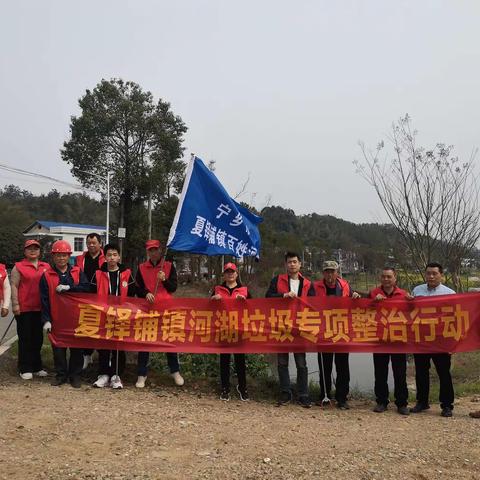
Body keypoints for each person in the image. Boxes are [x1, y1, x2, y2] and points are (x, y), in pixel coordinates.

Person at [40, 240, 90, 387]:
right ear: (53, 257)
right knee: (58, 349)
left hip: (75, 318)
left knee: (76, 349)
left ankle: (75, 375)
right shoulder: (47, 275)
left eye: (64, 255)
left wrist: (70, 287)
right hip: (57, 319)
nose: (61, 258)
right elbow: (43, 299)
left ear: (69, 256)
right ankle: (61, 375)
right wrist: (46, 320)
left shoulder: (77, 272)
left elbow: (86, 289)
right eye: (58, 255)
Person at [266, 251, 313, 408]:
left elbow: (315, 305)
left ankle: (303, 394)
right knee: (282, 362)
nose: (292, 264)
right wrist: (282, 296)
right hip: (282, 326)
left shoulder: (307, 283)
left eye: (295, 261)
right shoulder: (277, 280)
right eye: (289, 262)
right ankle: (285, 392)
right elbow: (267, 298)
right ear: (285, 264)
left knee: (301, 363)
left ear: (300, 264)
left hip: (300, 327)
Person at [312, 260, 360, 410]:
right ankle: (325, 395)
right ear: (323, 273)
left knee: (342, 367)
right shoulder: (315, 287)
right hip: (323, 332)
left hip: (341, 331)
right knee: (324, 366)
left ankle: (342, 398)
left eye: (332, 271)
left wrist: (356, 296)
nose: (330, 274)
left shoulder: (345, 285)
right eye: (327, 271)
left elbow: (354, 301)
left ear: (337, 272)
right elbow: (307, 305)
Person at [135, 240, 184, 388]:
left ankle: (175, 371)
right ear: (147, 252)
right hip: (148, 310)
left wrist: (165, 280)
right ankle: (141, 374)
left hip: (166, 310)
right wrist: (146, 293)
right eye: (150, 250)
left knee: (168, 341)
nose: (153, 252)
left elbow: (173, 287)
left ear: (161, 250)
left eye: (156, 250)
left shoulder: (168, 267)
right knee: (145, 342)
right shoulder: (141, 268)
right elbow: (137, 288)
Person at [410, 262, 456, 417]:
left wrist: (452, 343)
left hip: (441, 340)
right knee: (421, 372)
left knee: (444, 373)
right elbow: (410, 312)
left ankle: (447, 405)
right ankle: (422, 402)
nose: (430, 276)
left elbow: (454, 319)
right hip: (421, 339)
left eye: (434, 273)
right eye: (428, 273)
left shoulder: (449, 293)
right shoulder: (417, 290)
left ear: (441, 275)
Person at [91, 243, 136, 389]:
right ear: (104, 257)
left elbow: (134, 293)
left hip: (121, 316)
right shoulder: (98, 274)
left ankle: (116, 375)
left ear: (119, 257)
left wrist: (146, 294)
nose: (112, 257)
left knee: (118, 345)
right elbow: (89, 293)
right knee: (103, 344)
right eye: (109, 255)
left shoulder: (127, 274)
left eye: (115, 255)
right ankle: (103, 374)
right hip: (103, 315)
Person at [369, 267, 410, 415]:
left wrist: (412, 303)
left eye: (389, 277)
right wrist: (373, 302)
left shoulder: (403, 294)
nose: (386, 279)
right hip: (379, 339)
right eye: (383, 276)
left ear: (395, 278)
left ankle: (402, 403)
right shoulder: (373, 293)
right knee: (380, 373)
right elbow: (363, 312)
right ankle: (381, 401)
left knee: (400, 373)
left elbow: (411, 314)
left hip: (399, 340)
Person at [10, 239, 50, 380]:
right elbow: (14, 286)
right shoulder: (18, 267)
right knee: (25, 338)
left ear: (40, 251)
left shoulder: (46, 266)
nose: (33, 250)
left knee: (38, 338)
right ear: (25, 251)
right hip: (24, 308)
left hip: (40, 308)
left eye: (36, 248)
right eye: (29, 248)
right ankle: (25, 367)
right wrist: (15, 304)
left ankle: (37, 366)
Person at [211, 262, 251, 401]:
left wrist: (245, 301)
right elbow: (207, 307)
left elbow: (254, 308)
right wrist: (213, 299)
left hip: (239, 329)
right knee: (224, 360)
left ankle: (242, 386)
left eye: (232, 271)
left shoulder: (244, 290)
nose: (230, 274)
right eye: (227, 271)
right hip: (223, 328)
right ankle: (225, 387)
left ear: (236, 273)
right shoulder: (218, 289)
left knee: (240, 359)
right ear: (224, 274)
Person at [75, 232, 105, 369]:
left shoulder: (106, 258)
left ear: (100, 243)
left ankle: (102, 356)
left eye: (94, 243)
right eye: (89, 243)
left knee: (101, 328)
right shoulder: (81, 258)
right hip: (84, 297)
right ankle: (86, 355)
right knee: (86, 327)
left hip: (101, 298)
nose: (91, 245)